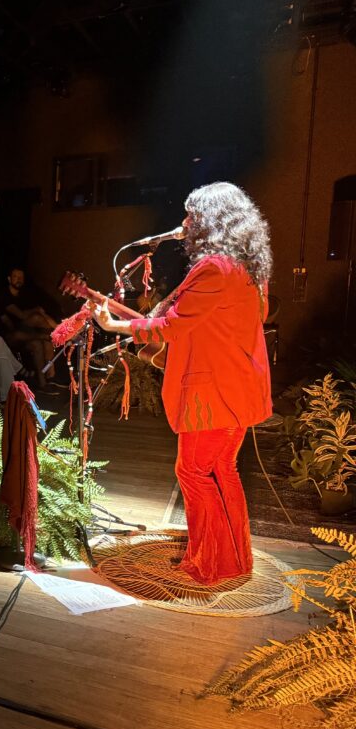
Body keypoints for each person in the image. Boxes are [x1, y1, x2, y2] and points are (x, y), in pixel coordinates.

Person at [90, 181, 272, 586]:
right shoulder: (248, 269)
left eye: (192, 215)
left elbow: (172, 327)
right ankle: (232, 560)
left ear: (212, 222)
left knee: (192, 471)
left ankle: (210, 563)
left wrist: (112, 324)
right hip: (236, 390)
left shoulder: (215, 268)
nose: (185, 223)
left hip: (214, 394)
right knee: (223, 469)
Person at [0, 268, 59, 390]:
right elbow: (21, 316)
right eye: (15, 277)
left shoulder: (25, 295)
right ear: (9, 279)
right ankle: (51, 369)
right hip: (10, 335)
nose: (19, 280)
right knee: (37, 319)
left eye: (21, 277)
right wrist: (37, 310)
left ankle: (44, 383)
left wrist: (40, 313)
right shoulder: (3, 296)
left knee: (38, 344)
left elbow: (39, 315)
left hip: (28, 333)